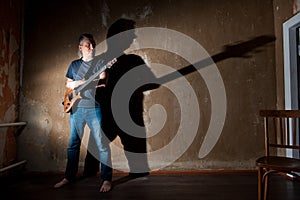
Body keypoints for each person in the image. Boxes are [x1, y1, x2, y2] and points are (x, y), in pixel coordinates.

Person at [54, 33, 113, 192]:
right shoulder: (74, 65)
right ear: (81, 48)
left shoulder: (100, 62)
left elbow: (102, 81)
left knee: (102, 144)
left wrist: (78, 83)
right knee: (73, 144)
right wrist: (80, 84)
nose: (92, 48)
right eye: (88, 45)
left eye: (93, 44)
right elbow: (69, 85)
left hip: (94, 108)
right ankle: (69, 177)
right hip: (76, 108)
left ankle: (107, 179)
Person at [101, 18, 160, 176]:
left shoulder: (133, 61)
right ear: (120, 36)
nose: (133, 38)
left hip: (130, 116)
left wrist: (135, 85)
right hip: (107, 115)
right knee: (93, 159)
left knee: (139, 168)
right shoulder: (101, 62)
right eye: (130, 34)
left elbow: (154, 83)